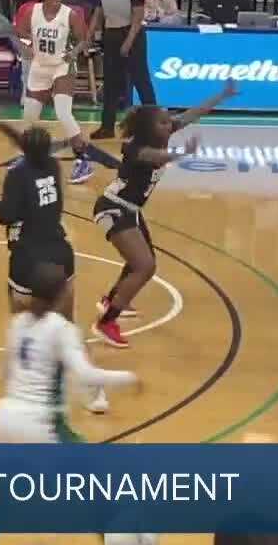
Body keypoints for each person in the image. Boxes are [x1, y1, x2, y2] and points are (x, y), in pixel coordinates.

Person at [91, 81, 238, 346]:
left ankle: (110, 300)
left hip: (131, 210)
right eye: (163, 122)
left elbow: (194, 112)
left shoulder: (161, 132)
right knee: (144, 266)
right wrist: (183, 152)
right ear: (149, 128)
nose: (169, 124)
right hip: (113, 207)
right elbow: (155, 157)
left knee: (141, 264)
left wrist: (222, 95)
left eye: (169, 121)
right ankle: (106, 322)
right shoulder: (136, 148)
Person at [0, 262, 138, 441]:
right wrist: (128, 377)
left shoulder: (18, 322)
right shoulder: (61, 328)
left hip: (2, 417)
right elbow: (86, 374)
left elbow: (5, 372)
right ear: (61, 294)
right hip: (38, 423)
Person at [16, 0, 93, 184]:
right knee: (29, 116)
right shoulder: (32, 12)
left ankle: (82, 160)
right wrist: (27, 45)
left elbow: (85, 39)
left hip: (61, 67)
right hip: (40, 66)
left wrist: (74, 53)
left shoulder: (70, 15)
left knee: (63, 112)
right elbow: (20, 33)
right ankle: (29, 157)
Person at [91, 0, 153, 141]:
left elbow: (138, 16)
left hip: (131, 34)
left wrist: (129, 41)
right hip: (111, 35)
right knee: (110, 83)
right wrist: (88, 35)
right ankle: (107, 127)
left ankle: (153, 125)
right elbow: (98, 13)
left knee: (141, 81)